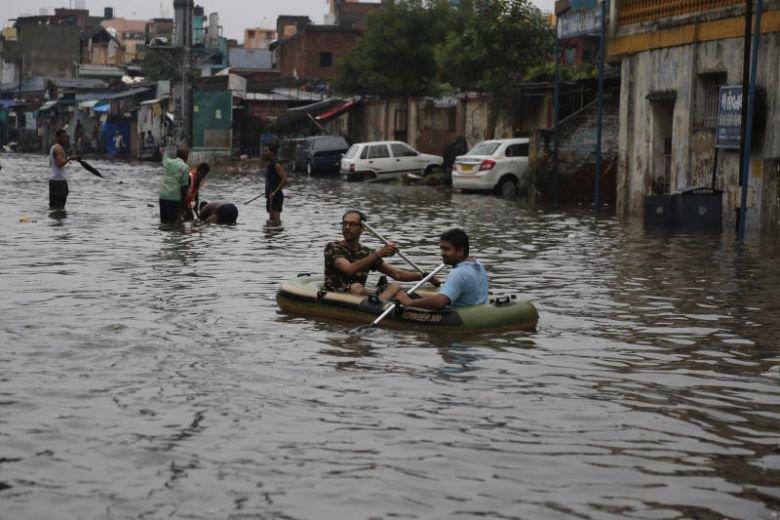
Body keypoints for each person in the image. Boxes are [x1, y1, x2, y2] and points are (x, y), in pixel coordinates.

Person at [324, 210, 439, 301]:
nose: (347, 228)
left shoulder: (366, 252)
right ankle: (374, 306)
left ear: (363, 228)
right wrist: (379, 254)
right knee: (357, 287)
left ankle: (377, 305)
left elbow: (397, 274)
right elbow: (349, 269)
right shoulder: (333, 247)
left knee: (395, 285)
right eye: (345, 224)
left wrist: (423, 276)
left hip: (359, 294)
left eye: (352, 224)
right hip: (336, 293)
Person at [395, 229, 488, 309]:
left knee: (409, 298)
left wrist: (409, 303)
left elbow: (440, 302)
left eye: (446, 249)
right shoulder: (477, 264)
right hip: (476, 310)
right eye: (441, 249)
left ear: (460, 251)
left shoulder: (458, 273)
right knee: (413, 295)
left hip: (460, 317)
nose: (442, 253)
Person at [158, 145, 190, 226]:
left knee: (164, 223)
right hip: (174, 200)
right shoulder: (185, 168)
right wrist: (184, 207)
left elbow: (163, 155)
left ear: (177, 155)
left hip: (163, 197)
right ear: (186, 157)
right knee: (174, 226)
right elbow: (184, 188)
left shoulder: (168, 162)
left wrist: (162, 151)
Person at [48, 128, 80, 210]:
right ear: (57, 138)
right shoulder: (58, 149)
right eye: (63, 137)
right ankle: (59, 221)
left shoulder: (53, 147)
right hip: (59, 181)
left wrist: (67, 158)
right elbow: (60, 164)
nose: (65, 139)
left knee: (53, 206)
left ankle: (54, 221)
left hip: (53, 180)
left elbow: (51, 163)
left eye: (65, 137)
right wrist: (70, 158)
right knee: (60, 207)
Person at [262, 142, 287, 225]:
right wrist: (267, 191)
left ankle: (277, 237)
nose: (264, 153)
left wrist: (275, 191)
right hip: (270, 194)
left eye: (266, 151)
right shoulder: (269, 165)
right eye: (264, 151)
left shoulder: (276, 165)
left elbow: (284, 178)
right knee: (270, 221)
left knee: (276, 222)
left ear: (271, 152)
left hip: (276, 195)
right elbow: (270, 180)